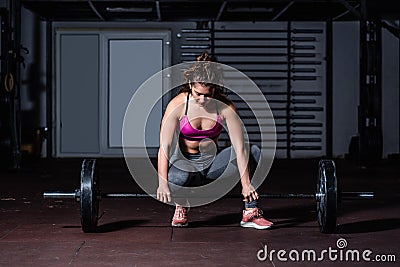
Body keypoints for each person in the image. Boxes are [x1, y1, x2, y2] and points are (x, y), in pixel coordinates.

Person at [156, 52, 273, 229]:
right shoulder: (177, 105)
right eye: (197, 93)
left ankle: (250, 211)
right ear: (189, 84)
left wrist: (246, 185)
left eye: (207, 94)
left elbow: (239, 148)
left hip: (211, 166)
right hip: (184, 164)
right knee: (178, 176)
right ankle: (181, 204)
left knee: (253, 152)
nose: (202, 100)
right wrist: (162, 184)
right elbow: (164, 146)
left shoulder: (225, 107)